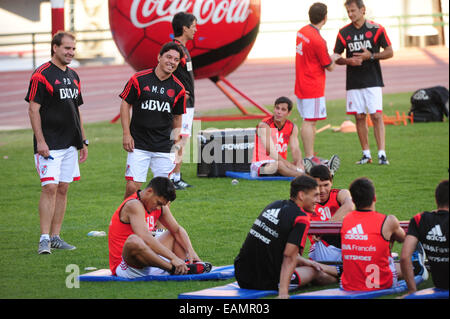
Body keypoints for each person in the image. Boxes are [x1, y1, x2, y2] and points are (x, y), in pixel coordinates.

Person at [26, 31, 88, 254]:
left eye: (73, 48)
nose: (71, 52)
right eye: (66, 48)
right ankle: (44, 238)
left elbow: (76, 110)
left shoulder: (73, 76)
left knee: (63, 188)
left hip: (71, 143)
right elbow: (33, 109)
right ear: (55, 48)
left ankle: (56, 237)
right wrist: (40, 141)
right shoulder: (41, 75)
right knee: (49, 187)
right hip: (49, 143)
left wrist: (83, 140)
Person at [234, 175, 340, 299]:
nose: (318, 200)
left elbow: (274, 246)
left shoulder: (274, 205)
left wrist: (305, 261)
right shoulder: (301, 218)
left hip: (241, 274)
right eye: (314, 195)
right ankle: (340, 275)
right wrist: (283, 293)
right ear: (301, 195)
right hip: (264, 281)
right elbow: (289, 256)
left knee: (307, 264)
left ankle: (338, 272)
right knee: (315, 272)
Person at [108, 176, 211, 278]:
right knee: (134, 240)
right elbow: (145, 237)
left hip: (148, 260)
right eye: (158, 203)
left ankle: (185, 266)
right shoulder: (133, 205)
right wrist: (172, 257)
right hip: (127, 266)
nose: (158, 207)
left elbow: (177, 230)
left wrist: (191, 251)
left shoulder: (160, 207)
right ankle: (173, 269)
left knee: (172, 233)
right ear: (149, 191)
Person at [119, 42, 186, 199]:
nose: (172, 62)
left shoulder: (179, 89)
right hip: (139, 143)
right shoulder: (139, 79)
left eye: (176, 59)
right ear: (159, 57)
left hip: (164, 145)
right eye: (168, 57)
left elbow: (177, 117)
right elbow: (125, 104)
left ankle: (157, 224)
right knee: (132, 186)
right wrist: (126, 134)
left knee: (164, 193)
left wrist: (177, 143)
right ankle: (125, 221)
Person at [333, 0, 394, 165]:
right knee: (359, 117)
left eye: (353, 11)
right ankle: (366, 154)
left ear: (362, 10)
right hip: (353, 81)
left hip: (373, 80)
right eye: (348, 12)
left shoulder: (377, 29)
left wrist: (371, 56)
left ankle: (382, 154)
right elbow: (336, 57)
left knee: (376, 116)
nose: (351, 14)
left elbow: (389, 52)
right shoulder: (343, 32)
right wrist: (348, 61)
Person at [340, 177, 427, 291]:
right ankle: (417, 266)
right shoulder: (388, 221)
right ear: (374, 198)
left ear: (354, 200)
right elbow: (403, 239)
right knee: (402, 253)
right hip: (381, 283)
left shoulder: (346, 219)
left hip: (349, 285)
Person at [295, 2, 340, 165]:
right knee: (309, 121)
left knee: (308, 120)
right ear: (325, 18)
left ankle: (310, 155)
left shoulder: (302, 32)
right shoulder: (318, 40)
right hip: (312, 85)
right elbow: (330, 67)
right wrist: (334, 57)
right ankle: (308, 157)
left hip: (301, 83)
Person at [251, 96, 340, 178]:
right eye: (277, 108)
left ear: (289, 113)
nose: (279, 112)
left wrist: (298, 163)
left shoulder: (292, 127)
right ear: (274, 109)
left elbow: (295, 149)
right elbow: (271, 152)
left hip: (281, 164)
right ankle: (307, 176)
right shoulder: (264, 125)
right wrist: (290, 165)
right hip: (259, 166)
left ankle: (326, 172)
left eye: (283, 110)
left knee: (304, 163)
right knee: (279, 165)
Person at [400, 180, 448, 294]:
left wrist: (412, 292)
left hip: (440, 284)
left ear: (436, 200)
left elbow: (405, 257)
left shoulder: (419, 220)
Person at [170, 12, 198, 190]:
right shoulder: (175, 49)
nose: (196, 29)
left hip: (188, 104)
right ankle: (171, 176)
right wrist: (178, 93)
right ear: (185, 28)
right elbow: (166, 72)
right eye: (194, 25)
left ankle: (176, 176)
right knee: (177, 138)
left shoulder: (183, 48)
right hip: (181, 103)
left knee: (183, 139)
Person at [307, 165, 354, 262]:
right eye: (318, 186)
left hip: (344, 245)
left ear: (331, 182)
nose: (322, 190)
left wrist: (323, 229)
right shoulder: (305, 202)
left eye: (326, 185)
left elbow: (350, 206)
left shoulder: (339, 194)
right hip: (320, 248)